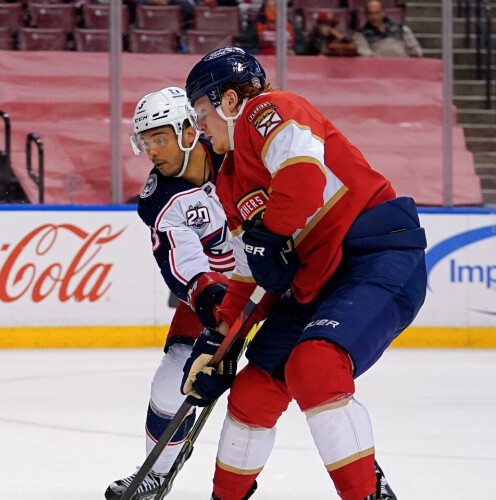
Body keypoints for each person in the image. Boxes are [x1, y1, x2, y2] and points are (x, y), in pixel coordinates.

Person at [180, 46, 423, 499]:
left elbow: (303, 177)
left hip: (376, 256)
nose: (199, 130)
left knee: (314, 366)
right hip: (317, 279)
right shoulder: (230, 181)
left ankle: (367, 493)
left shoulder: (267, 110)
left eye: (201, 112)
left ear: (229, 101)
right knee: (252, 391)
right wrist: (218, 343)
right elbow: (251, 276)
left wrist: (270, 238)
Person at [105, 87, 234, 500]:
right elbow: (182, 264)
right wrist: (211, 299)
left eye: (159, 138)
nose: (152, 151)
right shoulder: (160, 198)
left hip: (277, 279)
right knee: (168, 382)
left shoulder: (235, 152)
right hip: (214, 289)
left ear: (188, 130)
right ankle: (157, 472)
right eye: (146, 142)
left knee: (304, 377)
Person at [353, 0, 422, 57]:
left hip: (403, 65)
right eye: (370, 13)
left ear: (383, 13)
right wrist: (373, 55)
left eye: (377, 13)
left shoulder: (402, 29)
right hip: (380, 67)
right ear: (366, 15)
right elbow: (364, 51)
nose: (374, 17)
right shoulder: (360, 35)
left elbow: (417, 49)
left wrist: (414, 51)